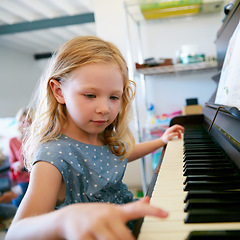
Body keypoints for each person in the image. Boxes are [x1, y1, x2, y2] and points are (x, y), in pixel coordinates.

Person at [6, 36, 184, 239]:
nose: (104, 109)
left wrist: (160, 142)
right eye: (90, 95)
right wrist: (65, 220)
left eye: (114, 97)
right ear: (58, 91)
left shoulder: (99, 135)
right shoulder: (54, 154)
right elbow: (16, 233)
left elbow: (121, 153)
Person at [8, 107, 32, 207]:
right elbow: (11, 163)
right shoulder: (13, 141)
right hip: (22, 178)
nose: (25, 125)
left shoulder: (37, 140)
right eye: (22, 121)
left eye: (28, 121)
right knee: (18, 202)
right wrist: (16, 164)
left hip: (36, 176)